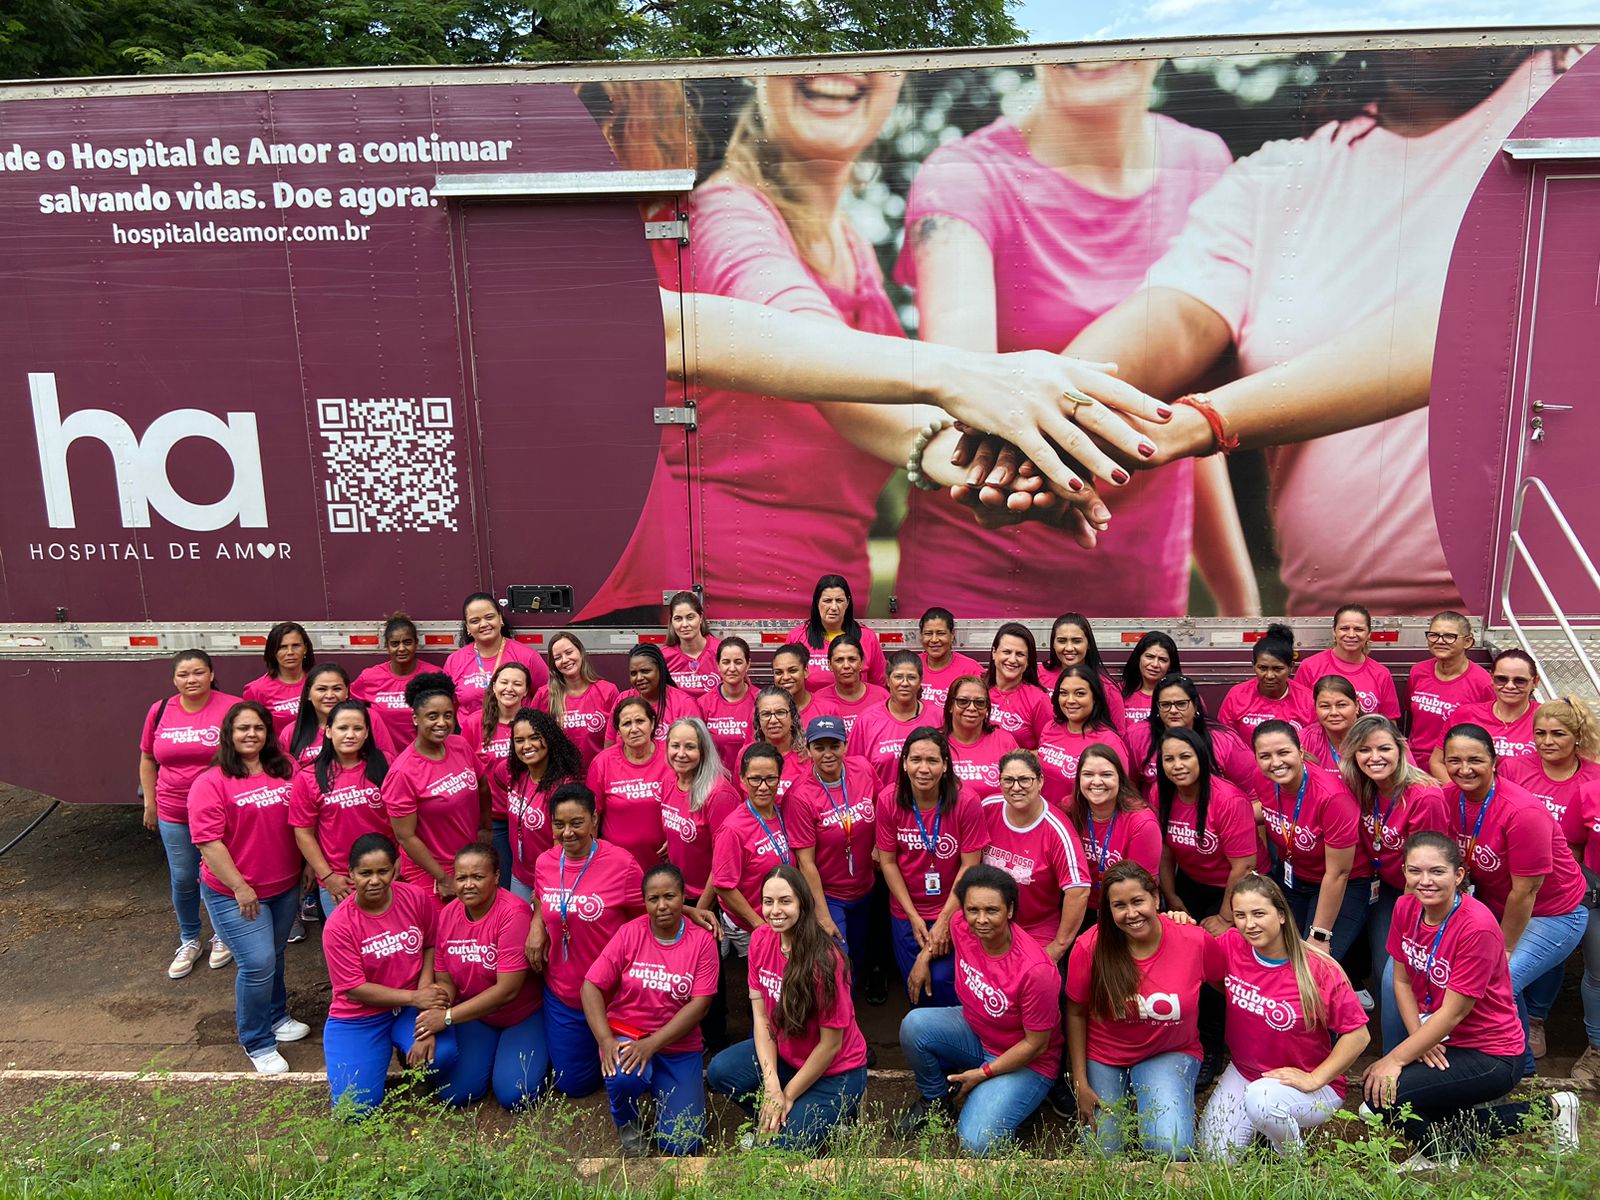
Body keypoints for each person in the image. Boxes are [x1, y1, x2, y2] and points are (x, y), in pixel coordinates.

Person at [892, 59, 1248, 620]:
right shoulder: (963, 176)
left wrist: (1239, 604)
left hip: (1143, 594)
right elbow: (963, 385)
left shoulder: (1204, 163)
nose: (1095, 41)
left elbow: (1179, 417)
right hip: (977, 595)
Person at [1363, 833, 1580, 1168]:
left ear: (1459, 875)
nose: (1425, 881)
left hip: (1492, 1053)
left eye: (1437, 871)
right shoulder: (1406, 908)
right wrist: (1417, 1044)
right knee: (1380, 1096)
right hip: (1444, 1039)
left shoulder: (1475, 926)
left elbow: (1453, 1013)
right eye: (1414, 871)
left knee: (1380, 1100)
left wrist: (1395, 1058)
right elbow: (1402, 980)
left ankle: (1550, 1110)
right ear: (1404, 872)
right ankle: (1442, 1147)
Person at [1439, 723, 1588, 1076]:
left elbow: (1527, 891)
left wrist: (1504, 948)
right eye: (1454, 760)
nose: (1464, 769)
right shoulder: (1449, 798)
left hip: (1554, 912)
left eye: (1475, 760)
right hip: (1496, 906)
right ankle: (1512, 1059)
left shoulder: (1522, 811)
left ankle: (1518, 1068)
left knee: (1498, 977)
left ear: (1495, 761)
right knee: (1489, 977)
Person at [1199, 873, 1370, 1159]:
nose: (1249, 924)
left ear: (1281, 915)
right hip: (1246, 1072)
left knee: (1263, 1100)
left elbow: (1359, 1035)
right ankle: (1269, 1132)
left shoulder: (1317, 968)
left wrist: (1314, 1079)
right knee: (1215, 1156)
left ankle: (1291, 1159)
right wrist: (1175, 920)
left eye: (1258, 913)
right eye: (1240, 915)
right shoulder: (1231, 944)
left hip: (1311, 1086)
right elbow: (1210, 973)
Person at [897, 865, 1063, 1155]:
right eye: (973, 909)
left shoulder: (1036, 970)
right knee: (914, 1026)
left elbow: (1037, 1045)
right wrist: (924, 956)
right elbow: (946, 932)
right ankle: (937, 1102)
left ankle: (1023, 1103)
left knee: (977, 1142)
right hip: (976, 1032)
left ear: (1010, 910)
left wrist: (982, 1074)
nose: (981, 920)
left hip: (1027, 1060)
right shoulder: (961, 924)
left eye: (992, 910)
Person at [1066, 862, 1227, 1160]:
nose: (1131, 913)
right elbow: (1075, 1013)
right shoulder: (1089, 947)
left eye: (1138, 901)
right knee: (1103, 1153)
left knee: (1170, 1147)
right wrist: (1081, 1084)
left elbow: (1230, 990)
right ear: (1108, 909)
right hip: (1106, 1055)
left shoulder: (1193, 941)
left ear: (1155, 899)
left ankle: (1157, 1098)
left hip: (1169, 1050)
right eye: (1119, 905)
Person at [707, 865, 870, 1150]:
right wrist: (772, 1088)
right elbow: (761, 1018)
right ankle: (782, 1121)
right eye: (768, 902)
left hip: (835, 1071)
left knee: (778, 1153)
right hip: (787, 1057)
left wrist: (788, 1094)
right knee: (721, 1070)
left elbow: (831, 1045)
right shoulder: (760, 940)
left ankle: (827, 1118)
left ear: (803, 903)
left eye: (785, 901)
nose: (775, 910)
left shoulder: (826, 961)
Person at [188, 700, 308, 1073]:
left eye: (258, 727)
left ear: (268, 732)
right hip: (235, 893)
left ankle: (276, 1016)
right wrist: (240, 886)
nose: (251, 734)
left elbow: (303, 819)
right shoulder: (211, 782)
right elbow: (209, 842)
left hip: (285, 885)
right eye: (242, 728)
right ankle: (257, 1041)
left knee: (275, 955)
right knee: (257, 963)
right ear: (229, 734)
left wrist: (305, 865)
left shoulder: (287, 768)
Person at [582, 863, 720, 1156]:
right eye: (653, 899)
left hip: (679, 1046)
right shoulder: (629, 933)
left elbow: (700, 1005)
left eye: (669, 896)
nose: (662, 906)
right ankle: (627, 1120)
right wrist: (606, 1040)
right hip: (628, 1036)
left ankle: (664, 1096)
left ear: (683, 897)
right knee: (623, 1075)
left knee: (684, 1143)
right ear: (644, 902)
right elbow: (590, 987)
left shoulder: (702, 942)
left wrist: (653, 1045)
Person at [320, 833, 456, 1114]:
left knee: (440, 1056)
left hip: (408, 1009)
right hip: (359, 1017)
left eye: (383, 871)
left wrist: (426, 1018)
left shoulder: (415, 897)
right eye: (365, 873)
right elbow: (355, 988)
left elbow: (431, 944)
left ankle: (409, 1062)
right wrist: (415, 998)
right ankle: (371, 1060)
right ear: (351, 874)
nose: (375, 880)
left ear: (395, 869)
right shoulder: (338, 926)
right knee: (354, 1111)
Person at [1154, 727, 1260, 1087]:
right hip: (1189, 885)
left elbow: (1243, 866)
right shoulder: (1160, 792)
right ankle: (1184, 1035)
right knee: (1179, 954)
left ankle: (1213, 1045)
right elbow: (1165, 851)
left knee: (1216, 961)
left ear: (1202, 756)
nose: (1177, 765)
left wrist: (1226, 916)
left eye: (1185, 756)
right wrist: (1173, 898)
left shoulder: (1228, 799)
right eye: (1169, 758)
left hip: (1233, 889)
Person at [1339, 714, 1449, 1052]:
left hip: (1420, 895)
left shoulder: (1423, 797)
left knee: (1393, 976)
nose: (1375, 757)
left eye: (1384, 748)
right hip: (1383, 885)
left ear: (1401, 750)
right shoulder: (1367, 787)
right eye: (1364, 750)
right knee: (1380, 966)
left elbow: (1425, 874)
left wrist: (1409, 919)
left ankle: (1397, 1062)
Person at [527, 784, 646, 1097]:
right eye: (559, 824)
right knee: (573, 1085)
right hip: (563, 994)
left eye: (576, 823)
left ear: (594, 819)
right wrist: (537, 923)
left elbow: (643, 919)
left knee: (624, 1079)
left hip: (613, 996)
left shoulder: (622, 864)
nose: (567, 833)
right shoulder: (544, 863)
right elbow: (542, 898)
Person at [1503, 698, 1600, 1064]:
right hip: (1520, 877)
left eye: (1558, 734)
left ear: (1578, 737)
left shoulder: (1592, 779)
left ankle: (1540, 1019)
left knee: (1566, 953)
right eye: (1540, 733)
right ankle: (1527, 1027)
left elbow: (1574, 845)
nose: (1547, 741)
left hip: (1564, 884)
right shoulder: (1515, 768)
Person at [139, 649, 242, 978]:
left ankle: (222, 936)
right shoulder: (160, 710)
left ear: (211, 674)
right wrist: (150, 803)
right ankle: (189, 938)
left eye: (198, 672)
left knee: (218, 875)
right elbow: (146, 758)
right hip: (173, 808)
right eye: (183, 675)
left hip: (220, 810)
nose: (191, 680)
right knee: (184, 878)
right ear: (174, 679)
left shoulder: (232, 707)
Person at [420, 843, 547, 1109]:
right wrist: (431, 1019)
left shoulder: (514, 914)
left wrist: (446, 1018)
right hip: (476, 1016)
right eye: (461, 878)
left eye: (478, 877)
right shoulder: (447, 915)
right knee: (455, 1094)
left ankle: (528, 1058)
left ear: (497, 877)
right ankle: (491, 1059)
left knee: (515, 1097)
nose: (468, 885)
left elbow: (507, 991)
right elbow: (445, 981)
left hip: (520, 1016)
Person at [877, 728, 985, 1007]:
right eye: (915, 760)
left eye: (932, 760)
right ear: (904, 763)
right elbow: (888, 863)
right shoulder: (889, 800)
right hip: (906, 910)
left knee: (943, 983)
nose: (923, 769)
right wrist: (912, 916)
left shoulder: (966, 801)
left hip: (954, 907)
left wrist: (945, 919)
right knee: (915, 983)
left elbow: (970, 865)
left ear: (945, 764)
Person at [1249, 721, 1363, 961]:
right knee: (1282, 951)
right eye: (1265, 756)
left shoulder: (1332, 797)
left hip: (1342, 882)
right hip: (1294, 876)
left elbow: (1338, 873)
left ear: (1300, 752)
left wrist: (1320, 934)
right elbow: (1270, 809)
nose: (1275, 763)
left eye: (1283, 752)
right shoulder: (1263, 778)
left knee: (1314, 960)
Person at [380, 673, 487, 906]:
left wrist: (486, 829)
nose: (442, 723)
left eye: (448, 715)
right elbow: (405, 836)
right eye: (432, 716)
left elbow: (483, 785)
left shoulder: (459, 745)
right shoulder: (403, 772)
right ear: (416, 718)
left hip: (469, 860)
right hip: (431, 871)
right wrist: (443, 877)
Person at [788, 716, 879, 974]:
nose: (828, 754)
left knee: (859, 953)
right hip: (830, 895)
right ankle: (842, 1012)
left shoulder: (862, 769)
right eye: (819, 747)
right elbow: (806, 863)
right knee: (838, 960)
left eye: (834, 745)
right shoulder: (800, 795)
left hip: (865, 886)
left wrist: (879, 846)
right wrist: (823, 915)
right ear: (808, 750)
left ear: (845, 746)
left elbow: (882, 806)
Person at [980, 749, 1089, 959]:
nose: (1016, 787)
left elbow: (1078, 891)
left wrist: (1057, 948)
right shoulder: (987, 808)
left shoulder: (1058, 831)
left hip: (1036, 929)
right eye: (1008, 780)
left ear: (1040, 781)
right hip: (988, 922)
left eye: (1024, 780)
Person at [290, 699, 391, 916]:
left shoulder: (386, 765)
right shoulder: (308, 777)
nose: (350, 734)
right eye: (343, 728)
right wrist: (327, 877)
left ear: (366, 733)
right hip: (340, 881)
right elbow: (303, 834)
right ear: (328, 731)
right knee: (346, 944)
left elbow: (403, 819)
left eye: (357, 728)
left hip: (386, 873)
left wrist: (399, 860)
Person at [460, 661, 535, 888]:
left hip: (527, 818)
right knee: (500, 882)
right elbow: (466, 770)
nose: (509, 688)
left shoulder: (533, 723)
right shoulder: (474, 723)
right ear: (493, 686)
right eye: (503, 682)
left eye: (517, 684)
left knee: (526, 882)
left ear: (526, 691)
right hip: (494, 822)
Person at [712, 743, 796, 936]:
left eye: (771, 779)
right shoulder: (733, 829)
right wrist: (760, 926)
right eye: (755, 779)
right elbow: (723, 886)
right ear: (742, 779)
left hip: (785, 919)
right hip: (754, 928)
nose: (763, 787)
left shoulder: (784, 811)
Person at [504, 708, 584, 902]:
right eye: (519, 740)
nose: (526, 746)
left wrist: (546, 882)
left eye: (534, 737)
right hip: (519, 876)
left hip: (550, 878)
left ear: (549, 739)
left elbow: (565, 842)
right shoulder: (516, 776)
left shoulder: (564, 787)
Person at [661, 717, 742, 909]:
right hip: (680, 892)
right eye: (674, 746)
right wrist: (676, 836)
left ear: (703, 751)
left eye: (690, 747)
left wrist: (701, 910)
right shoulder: (669, 780)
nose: (680, 754)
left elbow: (723, 861)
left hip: (709, 900)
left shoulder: (719, 795)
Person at [587, 695, 675, 871]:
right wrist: (594, 861)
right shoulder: (602, 762)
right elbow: (591, 818)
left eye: (640, 721)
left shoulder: (672, 756)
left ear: (652, 723)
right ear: (618, 731)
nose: (634, 729)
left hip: (666, 865)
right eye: (626, 724)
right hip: (617, 866)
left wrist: (677, 840)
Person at [1069, 745, 1161, 912]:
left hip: (1125, 907)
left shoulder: (1142, 823)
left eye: (1106, 775)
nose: (1096, 782)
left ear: (1120, 779)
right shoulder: (1070, 810)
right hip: (1080, 902)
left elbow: (1142, 889)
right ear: (1079, 780)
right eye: (1088, 774)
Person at [1128, 673, 1255, 790]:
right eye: (1165, 705)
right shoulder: (1137, 736)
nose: (1173, 710)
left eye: (1181, 704)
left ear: (1195, 706)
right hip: (1157, 811)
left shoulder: (1224, 740)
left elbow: (1255, 797)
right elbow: (1128, 788)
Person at [1406, 611, 1493, 779]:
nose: (1440, 641)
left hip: (1453, 770)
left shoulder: (1482, 682)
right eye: (1434, 635)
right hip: (1414, 766)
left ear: (1468, 641)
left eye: (1449, 636)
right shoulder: (1418, 671)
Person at [442, 591, 548, 719]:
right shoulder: (454, 661)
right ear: (468, 627)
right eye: (475, 621)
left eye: (489, 617)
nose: (484, 624)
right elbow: (447, 707)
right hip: (471, 736)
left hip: (517, 735)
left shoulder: (527, 656)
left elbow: (547, 697)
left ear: (500, 619)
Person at [1038, 666, 1129, 810]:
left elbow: (1119, 793)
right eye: (1063, 693)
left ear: (1095, 698)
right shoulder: (1050, 728)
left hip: (1083, 825)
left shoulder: (1109, 741)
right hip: (1046, 821)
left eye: (1080, 694)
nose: (1070, 700)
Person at [849, 651, 943, 790]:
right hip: (882, 807)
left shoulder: (939, 717)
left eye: (911, 677)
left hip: (930, 806)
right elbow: (853, 771)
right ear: (887, 680)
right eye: (898, 677)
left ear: (920, 681)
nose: (905, 683)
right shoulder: (867, 720)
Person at [1438, 648, 1541, 771]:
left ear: (1535, 682)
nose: (1510, 686)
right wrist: (1460, 789)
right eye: (1501, 679)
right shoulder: (1465, 714)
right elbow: (1438, 761)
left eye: (1520, 681)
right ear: (1491, 678)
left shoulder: (1546, 718)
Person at [532, 631, 620, 770]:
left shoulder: (608, 691)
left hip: (599, 774)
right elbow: (534, 740)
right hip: (560, 779)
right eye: (558, 657)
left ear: (580, 652)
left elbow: (617, 742)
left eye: (569, 652)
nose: (565, 660)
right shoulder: (544, 695)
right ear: (554, 664)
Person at [1296, 606, 1401, 719]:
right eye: (1344, 628)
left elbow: (1390, 721)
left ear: (1369, 634)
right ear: (1334, 631)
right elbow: (1297, 712)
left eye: (1358, 629)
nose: (1351, 635)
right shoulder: (1310, 666)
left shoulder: (1381, 674)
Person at [284, 664, 398, 767]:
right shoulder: (291, 732)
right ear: (308, 694)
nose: (329, 695)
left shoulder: (369, 717)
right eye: (321, 689)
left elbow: (389, 762)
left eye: (337, 688)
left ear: (347, 692)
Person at [786, 576, 888, 690]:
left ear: (848, 602)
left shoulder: (867, 638)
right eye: (827, 601)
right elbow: (787, 685)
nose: (834, 607)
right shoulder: (797, 637)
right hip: (813, 707)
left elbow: (880, 686)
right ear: (817, 602)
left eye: (839, 601)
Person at [352, 614, 436, 749]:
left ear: (416, 643)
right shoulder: (369, 677)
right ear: (386, 645)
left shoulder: (433, 675)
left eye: (407, 642)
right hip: (383, 758)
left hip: (423, 757)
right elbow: (349, 712)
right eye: (395, 644)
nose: (401, 649)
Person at [1217, 624, 1314, 739]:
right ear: (1253, 665)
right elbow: (1224, 741)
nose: (1269, 676)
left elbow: (1314, 745)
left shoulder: (1307, 700)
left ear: (1291, 667)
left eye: (1278, 669)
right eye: (1262, 668)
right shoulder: (1237, 695)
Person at [1040, 614, 1129, 734]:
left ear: (1089, 644)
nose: (1069, 648)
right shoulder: (1038, 674)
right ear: (1053, 644)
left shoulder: (1107, 687)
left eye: (1077, 641)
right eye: (1062, 641)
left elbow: (1118, 735)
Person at [614, 644, 703, 744]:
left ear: (660, 670)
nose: (639, 678)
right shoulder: (622, 699)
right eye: (633, 673)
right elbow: (610, 748)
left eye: (645, 671)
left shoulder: (684, 703)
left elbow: (693, 748)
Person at [944, 675, 1019, 794]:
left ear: (987, 708)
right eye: (963, 701)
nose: (972, 708)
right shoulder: (935, 743)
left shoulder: (1004, 741)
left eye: (979, 702)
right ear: (950, 706)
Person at [982, 623, 1051, 751]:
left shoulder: (1039, 700)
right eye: (1006, 652)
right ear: (994, 653)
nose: (1012, 660)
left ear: (1028, 660)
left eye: (1020, 654)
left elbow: (1048, 751)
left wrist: (1016, 758)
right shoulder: (977, 689)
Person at [243, 621, 314, 735]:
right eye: (282, 647)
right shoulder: (256, 690)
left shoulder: (319, 682)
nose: (290, 652)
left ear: (305, 648)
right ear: (273, 652)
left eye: (296, 646)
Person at [698, 636, 756, 772]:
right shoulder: (703, 704)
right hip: (715, 780)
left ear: (748, 665)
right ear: (717, 665)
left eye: (738, 662)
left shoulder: (761, 701)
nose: (732, 668)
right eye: (726, 662)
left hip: (753, 781)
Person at [811, 634, 888, 736]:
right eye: (839, 660)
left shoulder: (882, 696)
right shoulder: (818, 700)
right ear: (829, 665)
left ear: (862, 662)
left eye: (852, 659)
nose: (846, 666)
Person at [918, 607, 984, 709]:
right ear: (921, 636)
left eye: (941, 633)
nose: (934, 639)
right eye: (928, 633)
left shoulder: (971, 670)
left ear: (952, 635)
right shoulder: (912, 665)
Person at [752, 685, 808, 799]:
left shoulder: (808, 757)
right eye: (766, 714)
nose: (773, 720)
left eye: (780, 712)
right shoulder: (747, 756)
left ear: (793, 717)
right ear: (758, 721)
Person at [662, 590, 721, 696]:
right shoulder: (663, 657)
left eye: (690, 617)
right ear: (672, 621)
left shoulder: (721, 651)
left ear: (701, 617)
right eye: (678, 619)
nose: (684, 624)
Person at [1118, 631, 1180, 729]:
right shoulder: (1117, 691)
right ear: (1138, 658)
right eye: (1150, 657)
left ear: (1170, 666)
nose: (1155, 664)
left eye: (1162, 660)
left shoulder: (1183, 695)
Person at [1300, 674, 1363, 770]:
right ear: (1315, 708)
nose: (1334, 713)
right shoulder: (1305, 739)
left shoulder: (1373, 736)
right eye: (1325, 706)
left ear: (1357, 705)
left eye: (1341, 705)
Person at [771, 643, 824, 732]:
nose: (786, 677)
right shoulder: (764, 710)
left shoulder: (826, 709)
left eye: (792, 670)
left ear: (806, 671)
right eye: (779, 672)